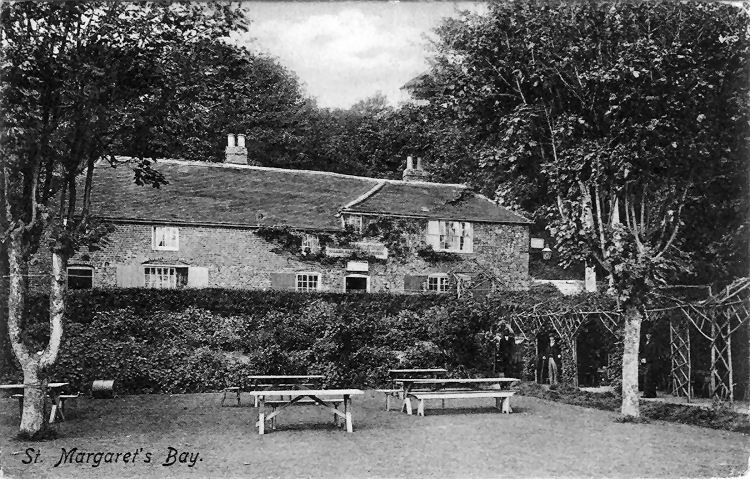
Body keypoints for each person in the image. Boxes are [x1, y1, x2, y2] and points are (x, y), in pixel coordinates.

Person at [641, 332, 658, 398]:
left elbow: (654, 355)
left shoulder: (653, 343)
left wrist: (647, 359)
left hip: (652, 363)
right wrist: (643, 359)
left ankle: (650, 394)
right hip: (647, 362)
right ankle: (647, 393)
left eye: (649, 334)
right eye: (647, 334)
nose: (648, 336)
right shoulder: (646, 343)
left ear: (651, 335)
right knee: (647, 377)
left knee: (649, 377)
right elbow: (645, 352)